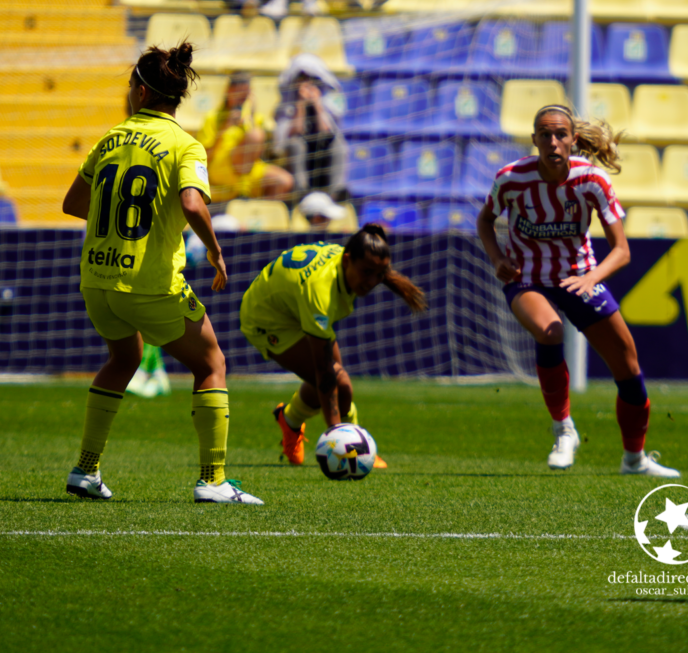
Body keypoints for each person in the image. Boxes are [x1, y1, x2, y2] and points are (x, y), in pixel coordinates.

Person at [61, 41, 262, 505]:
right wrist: (214, 250)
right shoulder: (185, 145)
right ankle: (213, 480)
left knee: (122, 360)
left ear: (140, 91)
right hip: (148, 284)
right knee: (211, 364)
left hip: (97, 279)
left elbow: (73, 203)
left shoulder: (109, 139)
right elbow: (192, 202)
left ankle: (85, 470)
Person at [476, 104, 679, 477]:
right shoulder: (511, 179)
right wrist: (496, 258)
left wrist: (592, 278)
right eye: (544, 135)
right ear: (534, 139)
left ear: (572, 139)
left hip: (579, 276)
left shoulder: (592, 180)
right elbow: (485, 220)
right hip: (528, 277)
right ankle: (563, 429)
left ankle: (634, 459)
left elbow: (622, 250)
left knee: (628, 365)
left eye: (560, 135)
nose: (553, 142)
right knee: (550, 331)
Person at [239, 224, 426, 468]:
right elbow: (325, 374)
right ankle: (354, 447)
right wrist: (337, 440)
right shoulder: (321, 290)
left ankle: (290, 421)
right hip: (268, 320)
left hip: (296, 307)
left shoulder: (348, 261)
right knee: (336, 382)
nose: (372, 282)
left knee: (338, 384)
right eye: (366, 272)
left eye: (378, 275)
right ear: (347, 260)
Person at [196, 71, 294, 201]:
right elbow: (203, 157)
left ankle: (257, 210)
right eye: (239, 95)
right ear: (229, 91)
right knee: (255, 136)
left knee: (284, 181)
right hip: (221, 168)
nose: (241, 100)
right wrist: (226, 126)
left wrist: (251, 115)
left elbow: (264, 151)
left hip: (251, 172)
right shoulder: (213, 118)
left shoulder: (254, 119)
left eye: (245, 96)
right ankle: (242, 191)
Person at [274, 54, 348, 199]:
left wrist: (317, 104)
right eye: (302, 78)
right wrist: (300, 104)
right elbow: (293, 132)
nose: (307, 83)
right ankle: (301, 192)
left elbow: (327, 133)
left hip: (321, 153)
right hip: (298, 153)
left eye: (311, 79)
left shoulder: (328, 103)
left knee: (339, 146)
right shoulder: (286, 105)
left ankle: (336, 192)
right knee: (296, 144)